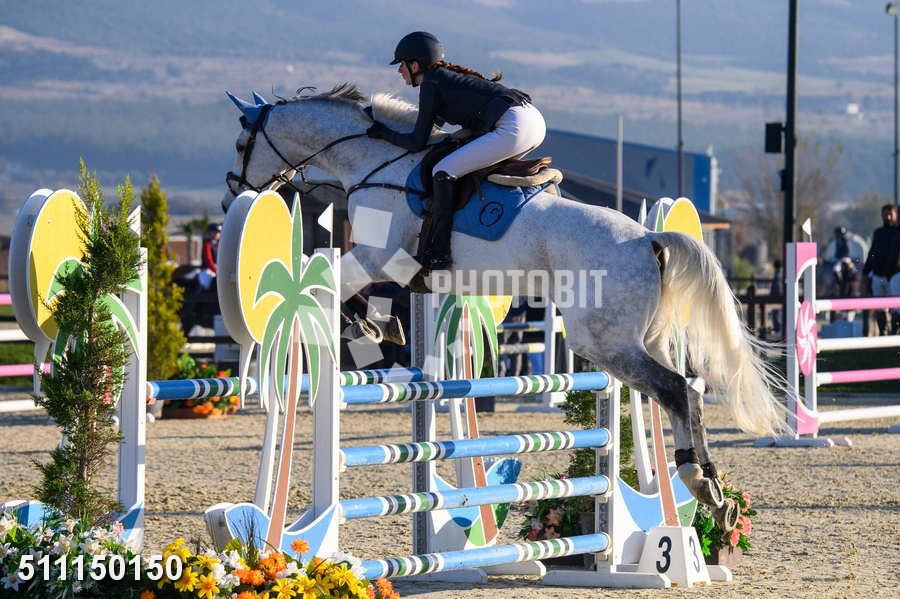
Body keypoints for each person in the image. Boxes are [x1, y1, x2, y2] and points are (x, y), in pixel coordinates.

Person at [367, 31, 546, 270]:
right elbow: (431, 124)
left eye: (401, 64)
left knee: (443, 171)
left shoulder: (431, 83)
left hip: (513, 126)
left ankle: (439, 253)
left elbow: (417, 142)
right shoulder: (443, 78)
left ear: (415, 65)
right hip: (532, 121)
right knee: (466, 168)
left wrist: (383, 133)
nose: (399, 70)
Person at [862, 205, 900, 335]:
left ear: (896, 215)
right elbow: (872, 253)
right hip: (878, 274)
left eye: (890, 214)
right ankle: (883, 333)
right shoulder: (878, 232)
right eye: (885, 214)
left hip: (894, 275)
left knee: (896, 307)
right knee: (880, 307)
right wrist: (866, 271)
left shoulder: (898, 232)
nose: (888, 217)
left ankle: (895, 333)